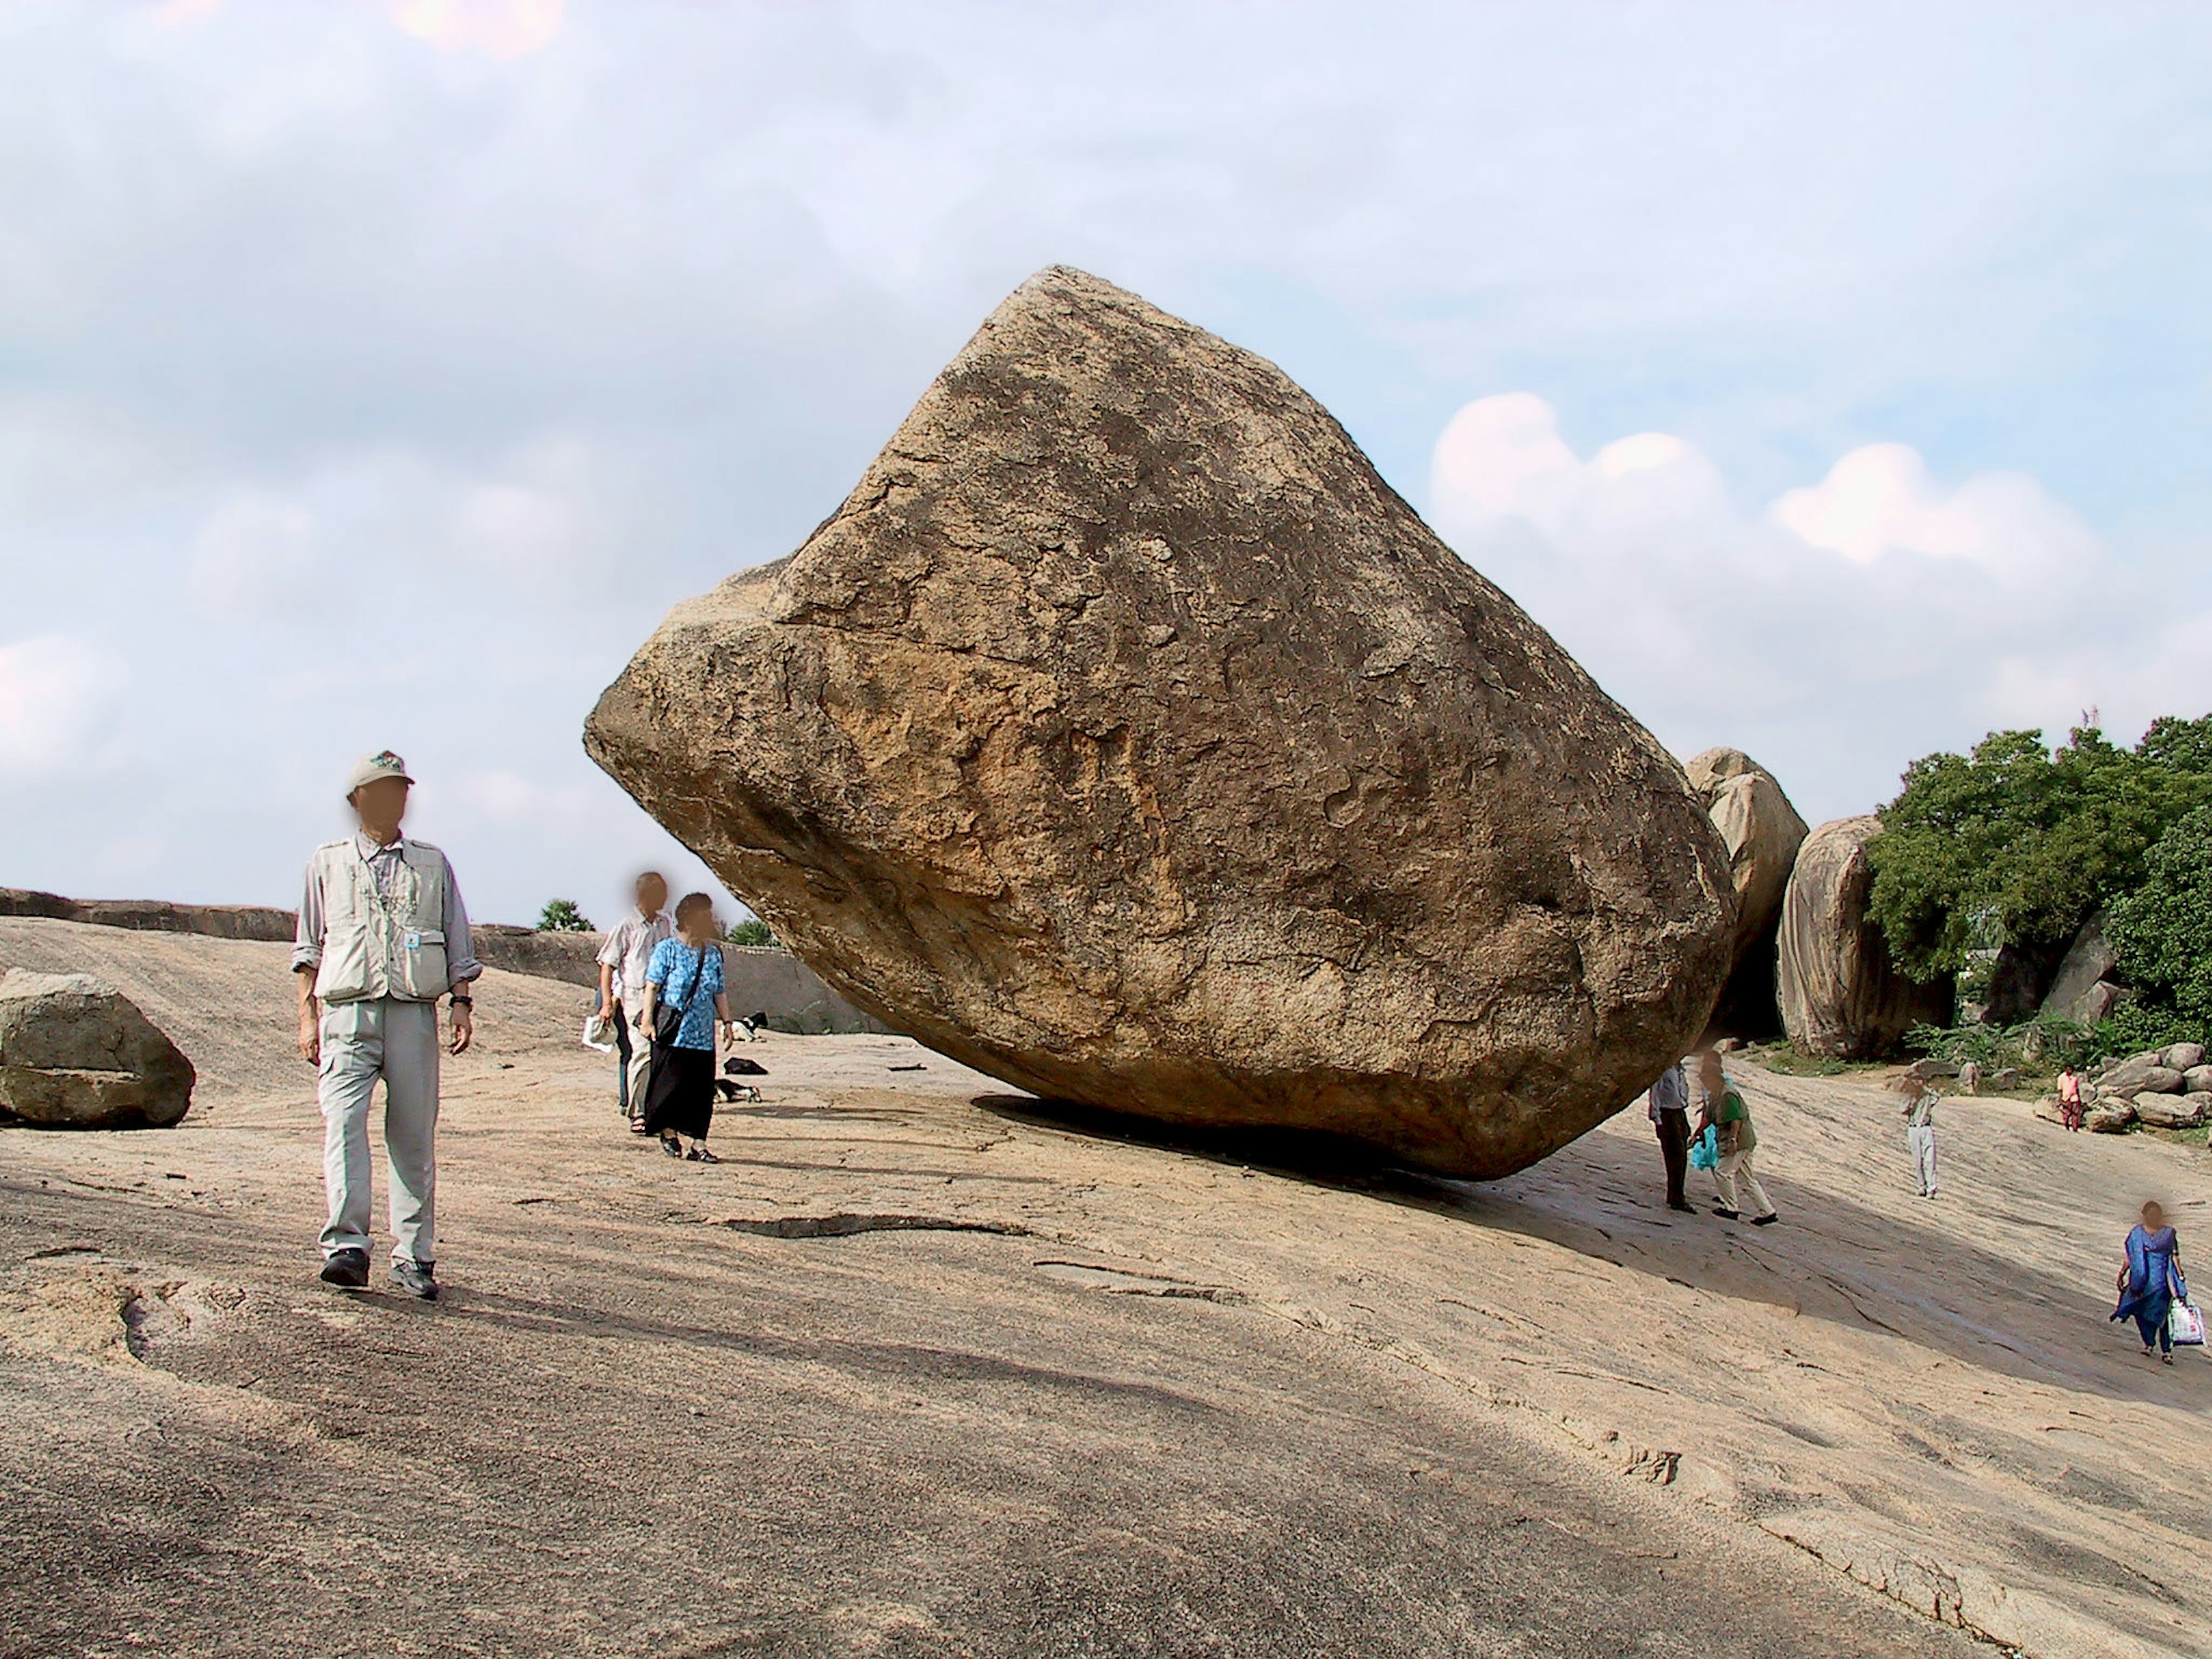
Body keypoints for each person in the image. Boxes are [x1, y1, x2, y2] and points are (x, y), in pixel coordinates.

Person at [292, 751, 480, 1300]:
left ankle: (414, 1256)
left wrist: (461, 1004)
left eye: (399, 789)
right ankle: (347, 1246)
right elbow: (308, 947)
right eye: (380, 790)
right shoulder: (326, 862)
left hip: (411, 1014)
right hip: (347, 1013)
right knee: (343, 1125)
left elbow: (457, 936)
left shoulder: (431, 862)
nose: (393, 799)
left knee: (413, 1137)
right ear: (357, 801)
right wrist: (307, 1017)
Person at [639, 892, 737, 1162]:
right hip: (673, 1033)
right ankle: (669, 1133)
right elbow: (653, 986)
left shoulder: (713, 954)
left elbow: (720, 991)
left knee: (701, 1092)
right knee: (670, 1088)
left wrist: (728, 1024)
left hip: (703, 1036)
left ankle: (699, 1144)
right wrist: (647, 1020)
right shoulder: (667, 950)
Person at [596, 872, 673, 1133]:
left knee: (661, 1053)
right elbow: (608, 965)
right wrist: (607, 1003)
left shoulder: (665, 924)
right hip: (635, 994)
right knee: (640, 1051)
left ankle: (657, 1108)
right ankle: (637, 1112)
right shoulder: (627, 926)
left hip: (663, 994)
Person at [1695, 1050, 1777, 1225]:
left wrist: (1733, 1140)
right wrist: (1698, 1134)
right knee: (1747, 1178)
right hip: (1745, 1140)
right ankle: (1768, 1212)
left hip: (1738, 1140)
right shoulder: (1717, 1093)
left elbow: (1735, 1120)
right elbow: (1709, 1117)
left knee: (1723, 1172)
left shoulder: (1727, 1095)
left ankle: (1731, 1208)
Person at [2112, 1201, 2187, 1363]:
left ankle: (2166, 1350)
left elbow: (2175, 1256)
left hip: (2162, 1284)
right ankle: (2149, 1343)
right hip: (2141, 1282)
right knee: (2140, 1313)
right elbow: (2131, 1257)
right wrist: (2122, 1274)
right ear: (2144, 1215)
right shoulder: (2137, 1234)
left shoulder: (2168, 1234)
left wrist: (2180, 1277)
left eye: (2156, 1215)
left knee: (2162, 1316)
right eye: (2150, 1215)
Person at [1646, 1058, 1694, 1213]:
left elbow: (1684, 1089)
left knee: (1681, 1157)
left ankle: (1677, 1192)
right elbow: (1655, 1093)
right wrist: (1657, 1119)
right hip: (1668, 1114)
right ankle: (1676, 1196)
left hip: (1680, 1112)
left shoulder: (1680, 1070)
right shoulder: (1664, 1071)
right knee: (1675, 1156)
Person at [1899, 1075, 1941, 1198]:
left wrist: (1924, 1089)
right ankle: (1921, 1185)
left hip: (1926, 1127)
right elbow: (1902, 1109)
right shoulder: (1909, 1095)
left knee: (1930, 1159)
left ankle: (1932, 1188)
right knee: (1918, 1160)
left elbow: (1937, 1097)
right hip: (1913, 1128)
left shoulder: (1928, 1095)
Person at [2058, 1066, 2085, 1132]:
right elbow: (2060, 1089)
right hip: (2066, 1097)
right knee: (2067, 1113)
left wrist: (2079, 1098)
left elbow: (2077, 1088)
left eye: (2071, 1069)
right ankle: (2066, 1126)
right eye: (2068, 1069)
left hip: (2074, 1097)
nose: (2070, 1071)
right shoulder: (2061, 1078)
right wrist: (2060, 1099)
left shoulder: (2075, 1078)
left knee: (2075, 1114)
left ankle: (2075, 1128)